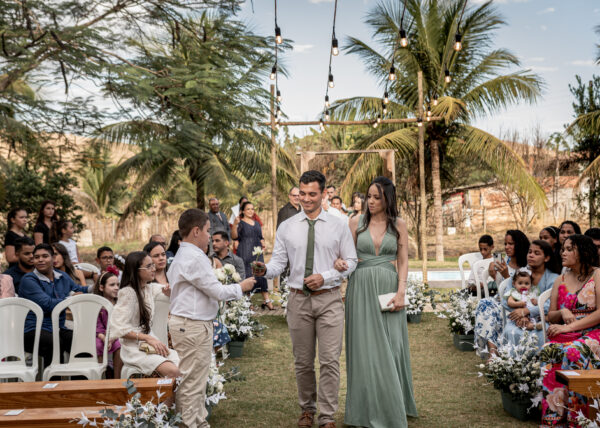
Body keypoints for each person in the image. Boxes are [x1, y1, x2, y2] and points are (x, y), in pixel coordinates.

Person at [254, 170, 358, 428]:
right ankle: (307, 410)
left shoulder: (338, 225)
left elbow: (352, 261)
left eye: (312, 194)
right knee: (302, 362)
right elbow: (279, 263)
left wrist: (326, 276)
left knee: (330, 361)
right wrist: (265, 270)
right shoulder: (287, 227)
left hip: (329, 299)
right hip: (298, 300)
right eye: (303, 193)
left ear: (323, 195)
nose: (307, 199)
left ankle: (327, 416)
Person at [338, 176, 418, 428]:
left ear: (388, 200)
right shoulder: (355, 222)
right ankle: (364, 410)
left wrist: (401, 291)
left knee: (392, 346)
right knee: (363, 348)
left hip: (388, 288)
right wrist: (340, 263)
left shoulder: (399, 224)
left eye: (376, 197)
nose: (370, 201)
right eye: (369, 196)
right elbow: (345, 256)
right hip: (360, 289)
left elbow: (403, 260)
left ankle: (393, 405)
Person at [167, 208, 256, 428]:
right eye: (208, 231)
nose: (209, 237)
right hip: (192, 325)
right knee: (191, 383)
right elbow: (217, 291)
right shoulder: (195, 257)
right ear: (196, 231)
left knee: (197, 381)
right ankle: (189, 424)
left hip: (190, 324)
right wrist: (242, 287)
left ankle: (199, 422)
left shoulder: (184, 254)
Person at [540, 234, 600, 426]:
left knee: (573, 351)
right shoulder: (561, 280)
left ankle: (579, 419)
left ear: (582, 252)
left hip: (594, 332)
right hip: (566, 333)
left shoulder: (597, 275)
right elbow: (550, 316)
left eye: (568, 249)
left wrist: (570, 326)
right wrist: (563, 311)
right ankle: (554, 417)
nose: (562, 253)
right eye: (563, 249)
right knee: (549, 350)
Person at [108, 251, 180, 381]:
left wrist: (169, 291)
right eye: (148, 266)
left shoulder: (148, 288)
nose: (153, 269)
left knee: (183, 366)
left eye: (153, 265)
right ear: (136, 271)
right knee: (173, 371)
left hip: (151, 344)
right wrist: (147, 338)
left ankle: (173, 395)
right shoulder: (128, 293)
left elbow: (170, 290)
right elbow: (118, 329)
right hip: (134, 349)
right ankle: (164, 396)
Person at [19, 243, 90, 368]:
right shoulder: (29, 280)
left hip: (57, 328)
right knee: (55, 343)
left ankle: (79, 379)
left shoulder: (61, 276)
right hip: (32, 330)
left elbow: (78, 289)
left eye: (45, 256)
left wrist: (97, 287)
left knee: (81, 343)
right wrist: (71, 299)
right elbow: (47, 304)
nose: (40, 260)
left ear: (53, 258)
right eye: (36, 257)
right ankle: (52, 379)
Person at [474, 230, 530, 358]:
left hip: (517, 304)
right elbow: (500, 289)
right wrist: (495, 274)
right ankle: (493, 352)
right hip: (501, 300)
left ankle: (493, 353)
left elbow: (522, 293)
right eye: (505, 244)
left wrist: (506, 276)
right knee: (485, 303)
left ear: (519, 244)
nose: (507, 247)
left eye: (511, 244)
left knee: (489, 307)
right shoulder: (504, 264)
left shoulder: (526, 267)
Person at [231, 201, 272, 310]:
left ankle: (267, 300)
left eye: (252, 209)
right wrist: (235, 224)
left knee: (261, 274)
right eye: (248, 209)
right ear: (243, 211)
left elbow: (260, 236)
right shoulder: (240, 223)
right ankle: (248, 302)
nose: (250, 211)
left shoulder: (257, 223)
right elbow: (234, 237)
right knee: (248, 274)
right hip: (245, 251)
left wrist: (263, 242)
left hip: (257, 252)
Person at [93, 271, 122, 378]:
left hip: (117, 335)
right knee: (98, 345)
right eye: (112, 285)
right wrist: (103, 337)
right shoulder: (97, 305)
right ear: (101, 287)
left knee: (119, 345)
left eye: (118, 285)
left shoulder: (120, 305)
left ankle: (117, 378)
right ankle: (102, 376)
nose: (116, 288)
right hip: (101, 335)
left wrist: (112, 338)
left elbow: (121, 325)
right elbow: (97, 326)